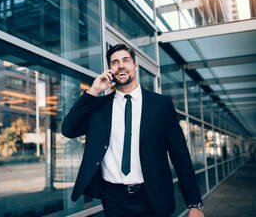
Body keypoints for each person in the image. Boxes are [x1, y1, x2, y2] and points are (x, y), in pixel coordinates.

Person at [62, 44, 204, 217]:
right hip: (113, 199)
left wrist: (194, 204)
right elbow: (68, 129)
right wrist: (93, 91)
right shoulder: (99, 107)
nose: (120, 65)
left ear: (135, 67)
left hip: (152, 197)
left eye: (126, 60)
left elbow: (180, 155)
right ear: (110, 70)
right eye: (114, 62)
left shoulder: (161, 105)